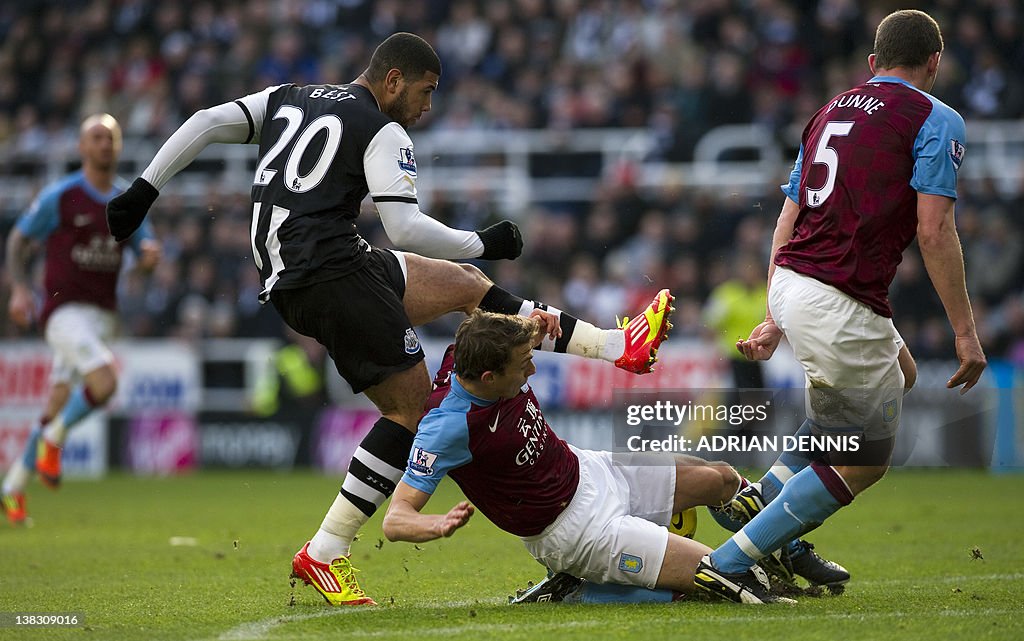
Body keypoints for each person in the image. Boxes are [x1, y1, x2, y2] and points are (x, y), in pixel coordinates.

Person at [105, 33, 674, 605]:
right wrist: (484, 239)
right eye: (425, 92)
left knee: (466, 287)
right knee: (409, 406)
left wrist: (143, 190)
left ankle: (614, 344)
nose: (428, 107)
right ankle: (326, 551)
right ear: (393, 80)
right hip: (325, 273)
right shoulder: (381, 127)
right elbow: (402, 226)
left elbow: (205, 121)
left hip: (323, 260)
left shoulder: (291, 95)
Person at [694, 10, 987, 603]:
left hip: (799, 278)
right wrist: (965, 332)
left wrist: (777, 308)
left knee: (896, 377)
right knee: (865, 460)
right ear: (934, 61)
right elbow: (934, 231)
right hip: (839, 295)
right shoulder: (936, 117)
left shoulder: (831, 108)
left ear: (873, 63)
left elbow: (789, 213)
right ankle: (734, 560)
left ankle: (769, 502)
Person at [383, 311, 792, 605]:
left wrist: (549, 321)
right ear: (489, 378)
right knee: (727, 577)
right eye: (523, 367)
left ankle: (789, 556)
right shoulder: (447, 426)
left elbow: (495, 305)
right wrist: (436, 524)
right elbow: (395, 519)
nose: (532, 373)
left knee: (720, 477)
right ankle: (581, 588)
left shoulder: (474, 348)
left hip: (590, 468)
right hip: (574, 531)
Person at [2, 114, 160, 524]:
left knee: (56, 404)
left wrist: (147, 261)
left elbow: (144, 258)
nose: (104, 144)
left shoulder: (127, 200)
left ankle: (12, 488)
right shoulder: (63, 195)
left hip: (103, 315)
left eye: (110, 138)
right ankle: (53, 444)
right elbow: (19, 238)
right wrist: (20, 288)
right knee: (104, 381)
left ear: (119, 146)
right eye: (96, 137)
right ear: (82, 147)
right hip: (63, 312)